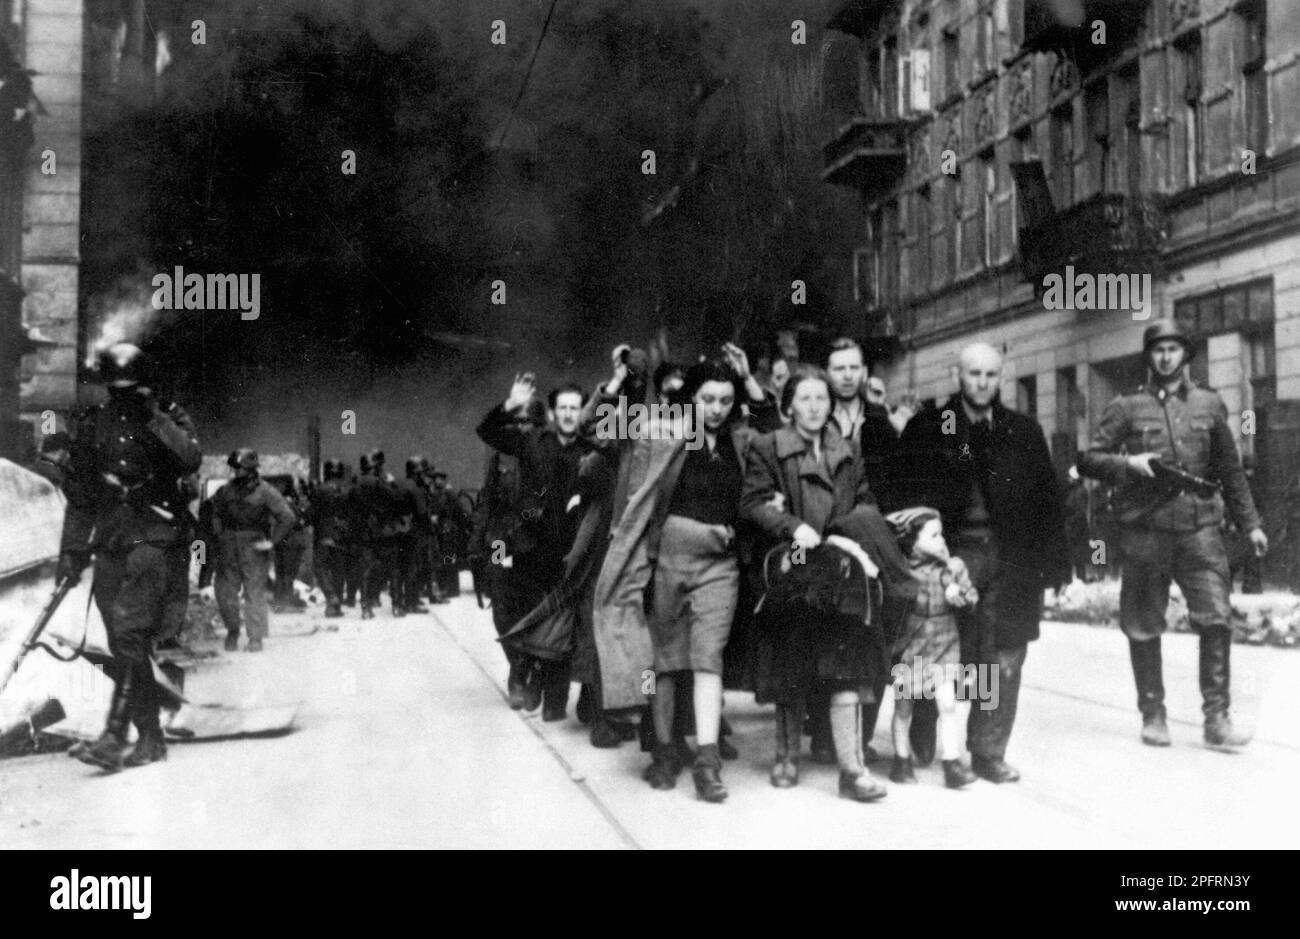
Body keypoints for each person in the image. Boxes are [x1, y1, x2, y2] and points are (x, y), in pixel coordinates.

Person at [1078, 319, 1266, 750]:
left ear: (1185, 355)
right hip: (1146, 531)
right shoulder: (1127, 407)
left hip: (1200, 530)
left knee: (1217, 619)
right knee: (1143, 625)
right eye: (1158, 349)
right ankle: (1153, 714)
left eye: (1173, 349)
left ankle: (1216, 719)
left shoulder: (1209, 404)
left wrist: (1251, 523)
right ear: (1149, 357)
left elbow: (1231, 471)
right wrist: (1129, 465)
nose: (1165, 356)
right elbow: (1089, 459)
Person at [596, 347, 773, 802]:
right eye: (708, 399)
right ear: (691, 397)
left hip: (721, 564)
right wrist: (619, 384)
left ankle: (707, 760)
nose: (717, 409)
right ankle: (663, 750)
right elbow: (601, 432)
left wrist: (751, 381)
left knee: (707, 658)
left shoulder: (741, 441)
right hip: (666, 562)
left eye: (726, 400)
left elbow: (779, 433)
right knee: (665, 664)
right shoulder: (666, 433)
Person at [891, 342, 1069, 782]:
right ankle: (925, 726)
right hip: (948, 557)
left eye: (991, 375)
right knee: (939, 649)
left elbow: (1049, 500)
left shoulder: (1023, 431)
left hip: (1012, 559)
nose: (982, 383)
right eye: (974, 374)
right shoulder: (929, 427)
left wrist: (1057, 564)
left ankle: (987, 751)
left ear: (1001, 378)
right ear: (957, 376)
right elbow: (902, 496)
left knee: (1000, 656)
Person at [742, 364, 913, 802]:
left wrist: (852, 530)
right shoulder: (767, 446)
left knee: (848, 663)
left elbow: (865, 501)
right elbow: (753, 503)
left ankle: (852, 770)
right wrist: (789, 525)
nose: (815, 407)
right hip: (795, 560)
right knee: (791, 658)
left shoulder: (847, 449)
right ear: (788, 405)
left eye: (822, 399)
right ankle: (785, 757)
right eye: (805, 399)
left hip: (840, 561)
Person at [57, 343, 201, 771]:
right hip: (113, 537)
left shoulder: (167, 419)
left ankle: (119, 735)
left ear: (145, 385)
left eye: (130, 389)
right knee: (121, 641)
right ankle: (146, 736)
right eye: (116, 389)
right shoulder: (93, 424)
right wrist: (72, 549)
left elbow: (189, 458)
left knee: (129, 629)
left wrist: (154, 415)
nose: (122, 396)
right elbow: (80, 494)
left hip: (156, 535)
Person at [477, 376, 595, 721]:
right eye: (564, 408)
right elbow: (487, 432)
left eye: (576, 408)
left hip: (569, 547)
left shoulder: (589, 449)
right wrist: (510, 403)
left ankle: (553, 698)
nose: (570, 415)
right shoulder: (530, 444)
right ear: (555, 413)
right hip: (521, 543)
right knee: (517, 613)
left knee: (559, 624)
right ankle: (523, 673)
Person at [884, 507, 978, 789]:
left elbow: (973, 596)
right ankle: (901, 761)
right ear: (913, 541)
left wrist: (961, 596)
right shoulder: (902, 570)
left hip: (944, 640)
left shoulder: (953, 567)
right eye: (933, 535)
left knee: (947, 704)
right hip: (911, 646)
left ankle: (952, 764)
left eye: (941, 534)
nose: (941, 541)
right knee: (904, 708)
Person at [210, 448, 296, 652]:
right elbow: (214, 513)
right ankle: (233, 630)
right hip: (229, 546)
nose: (235, 472)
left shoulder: (266, 491)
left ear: (250, 469)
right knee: (225, 593)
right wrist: (219, 535)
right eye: (234, 468)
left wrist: (272, 542)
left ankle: (255, 638)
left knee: (254, 593)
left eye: (239, 468)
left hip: (254, 547)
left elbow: (288, 517)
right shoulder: (225, 490)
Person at [308, 459, 352, 617]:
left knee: (319, 567)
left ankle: (331, 597)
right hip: (342, 534)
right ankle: (336, 605)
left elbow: (312, 514)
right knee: (338, 569)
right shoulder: (348, 490)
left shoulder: (320, 490)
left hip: (324, 534)